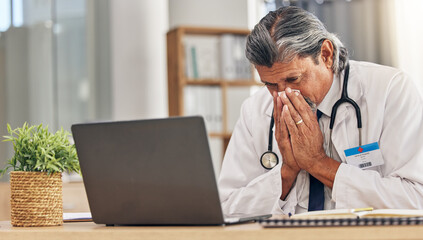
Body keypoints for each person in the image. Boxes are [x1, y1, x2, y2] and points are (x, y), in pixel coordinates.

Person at [218, 6, 423, 216]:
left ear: (325, 54)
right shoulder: (255, 110)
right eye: (270, 84)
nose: (282, 95)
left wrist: (318, 163)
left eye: (293, 79)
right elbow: (227, 207)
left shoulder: (389, 90)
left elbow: (415, 198)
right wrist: (287, 172)